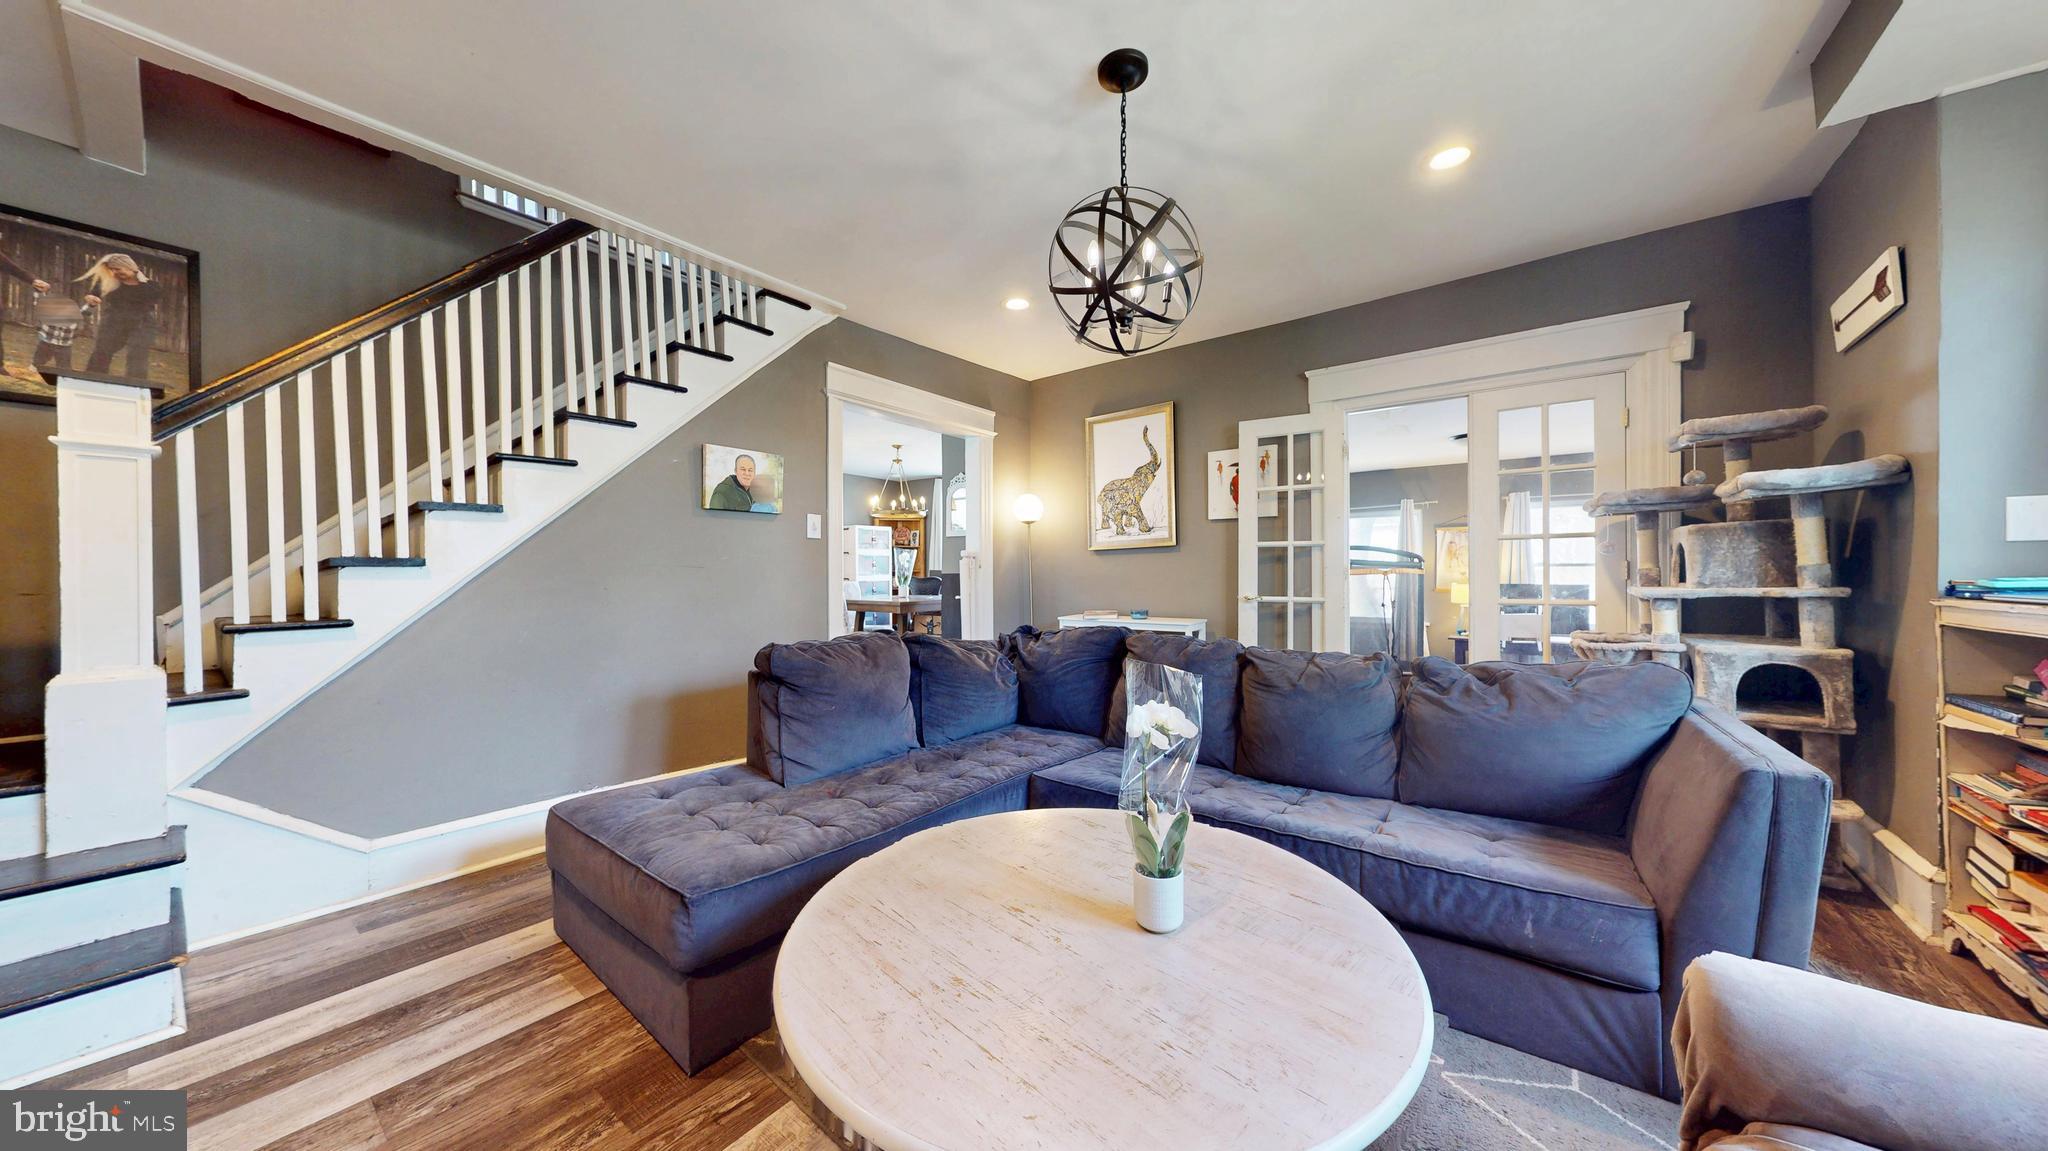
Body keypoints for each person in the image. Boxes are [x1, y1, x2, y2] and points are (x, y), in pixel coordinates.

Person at [76, 253, 164, 379]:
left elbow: (150, 300)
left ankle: (135, 387)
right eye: (112, 269)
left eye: (118, 269)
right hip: (113, 321)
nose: (115, 272)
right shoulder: (109, 283)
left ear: (131, 267)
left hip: (142, 323)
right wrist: (91, 298)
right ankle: (92, 380)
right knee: (102, 351)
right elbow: (94, 295)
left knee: (137, 354)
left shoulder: (152, 286)